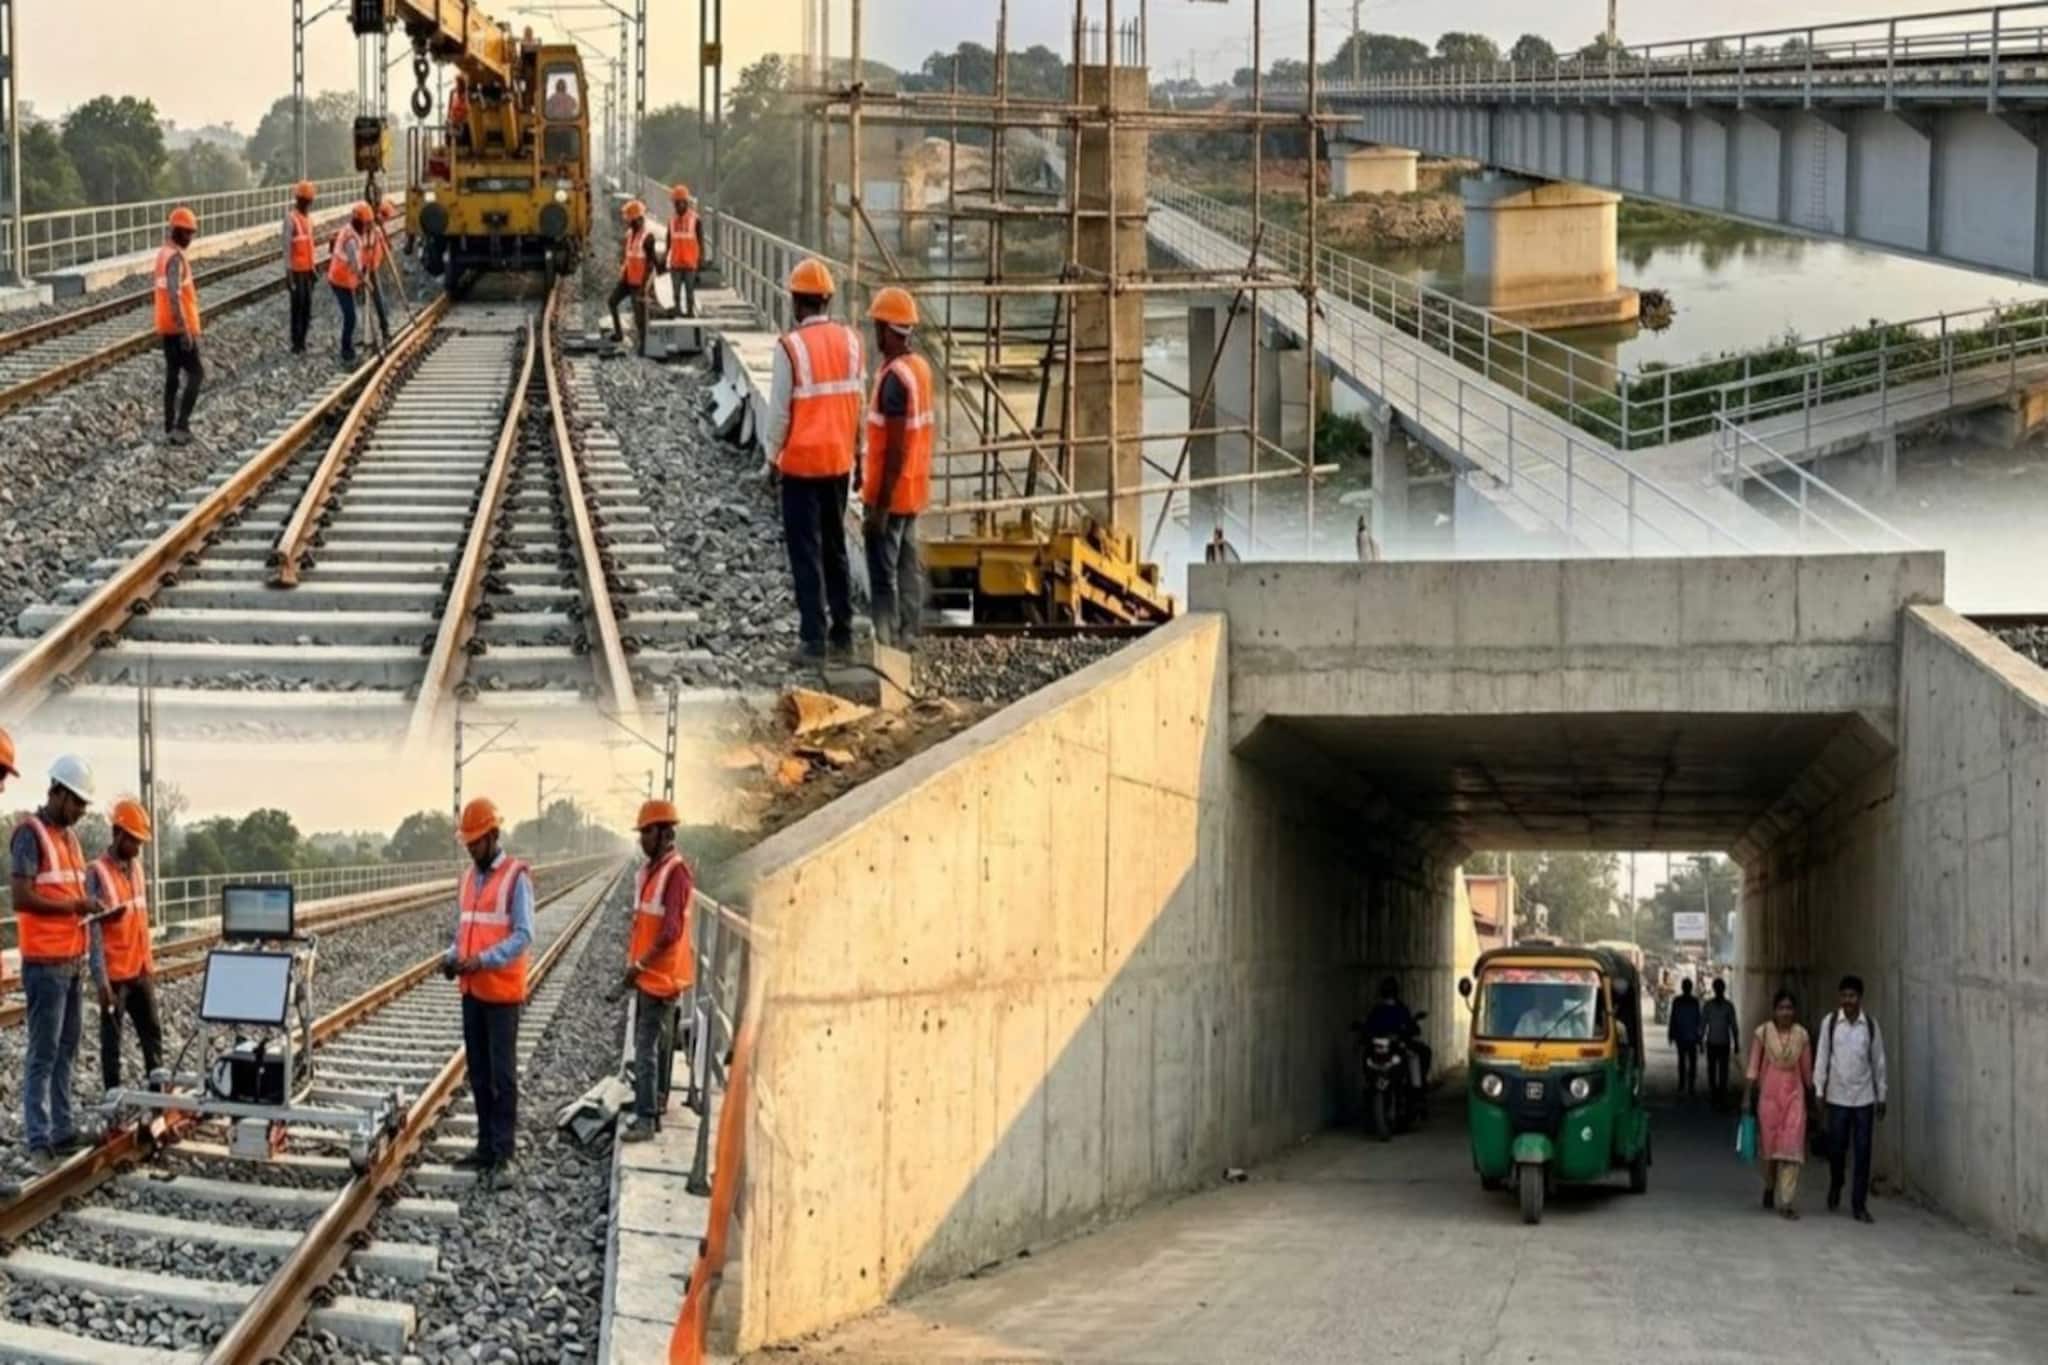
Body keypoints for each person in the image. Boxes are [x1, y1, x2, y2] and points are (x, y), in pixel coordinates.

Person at [766, 257, 863, 664]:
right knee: (835, 548)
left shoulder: (790, 348)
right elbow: (858, 402)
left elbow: (779, 414)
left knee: (806, 552)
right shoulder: (852, 342)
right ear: (827, 300)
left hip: (802, 467)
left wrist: (771, 459)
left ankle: (813, 640)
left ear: (796, 302)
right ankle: (844, 633)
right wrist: (859, 454)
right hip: (839, 463)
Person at [10, 755, 97, 1169]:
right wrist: (75, 907)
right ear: (58, 792)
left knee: (67, 1049)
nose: (80, 810)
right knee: (43, 1054)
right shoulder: (30, 834)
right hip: (45, 964)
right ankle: (38, 1138)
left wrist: (88, 907)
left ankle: (62, 1129)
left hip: (72, 959)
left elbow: (67, 892)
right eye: (76, 802)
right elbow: (22, 897)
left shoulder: (70, 839)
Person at [445, 798, 533, 1189]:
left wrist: (482, 960)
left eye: (476, 842)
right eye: (467, 842)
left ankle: (504, 1155)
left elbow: (524, 935)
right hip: (472, 991)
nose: (471, 848)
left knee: (503, 1077)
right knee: (479, 1074)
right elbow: (465, 930)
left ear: (494, 836)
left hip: (501, 994)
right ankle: (484, 1147)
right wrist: (452, 958)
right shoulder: (468, 878)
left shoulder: (516, 877)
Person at [860, 287, 932, 648]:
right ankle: (909, 634)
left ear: (889, 330)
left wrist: (880, 507)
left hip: (890, 494)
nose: (874, 334)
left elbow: (895, 449)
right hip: (913, 491)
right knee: (906, 566)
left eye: (877, 326)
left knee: (883, 573)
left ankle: (887, 642)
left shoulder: (894, 380)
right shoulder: (919, 369)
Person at [621, 799, 695, 1143]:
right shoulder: (654, 869)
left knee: (645, 1046)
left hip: (660, 975)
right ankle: (654, 1100)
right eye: (641, 833)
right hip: (649, 975)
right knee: (656, 1043)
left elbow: (670, 931)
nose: (642, 839)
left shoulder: (675, 873)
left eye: (647, 832)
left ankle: (646, 1119)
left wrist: (640, 964)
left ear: (665, 833)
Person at [88, 799, 162, 1096]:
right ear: (117, 834)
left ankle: (158, 1093)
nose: (138, 848)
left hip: (141, 970)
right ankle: (113, 1097)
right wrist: (101, 980)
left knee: (152, 1034)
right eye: (134, 840)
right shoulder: (97, 872)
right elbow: (93, 930)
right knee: (112, 1041)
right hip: (115, 976)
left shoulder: (138, 870)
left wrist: (149, 967)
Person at [1814, 973, 1887, 1223]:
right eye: (1844, 995)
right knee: (1836, 1149)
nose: (1848, 1000)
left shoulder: (1871, 1026)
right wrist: (1819, 1090)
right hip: (1837, 1098)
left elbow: (1878, 1062)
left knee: (1863, 1152)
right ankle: (1837, 1182)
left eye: (1852, 996)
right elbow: (1822, 1056)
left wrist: (1882, 1094)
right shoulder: (1831, 1023)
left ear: (1860, 998)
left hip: (1864, 1098)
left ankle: (1859, 1204)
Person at [1745, 988, 1814, 1219]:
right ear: (1774, 1011)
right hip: (1769, 1099)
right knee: (1771, 1149)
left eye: (1789, 1008)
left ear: (1795, 1011)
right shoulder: (1763, 1033)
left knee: (1791, 1149)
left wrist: (1815, 1098)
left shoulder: (1802, 1036)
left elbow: (1807, 1072)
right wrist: (1746, 1098)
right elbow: (1753, 1067)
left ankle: (1786, 1202)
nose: (1785, 1012)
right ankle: (1769, 1185)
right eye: (1781, 1008)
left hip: (1794, 1099)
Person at [154, 206, 204, 447]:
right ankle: (181, 426)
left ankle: (169, 425)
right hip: (178, 327)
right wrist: (184, 330)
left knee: (172, 375)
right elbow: (174, 295)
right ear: (176, 231)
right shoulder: (174, 257)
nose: (190, 238)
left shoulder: (163, 253)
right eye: (187, 232)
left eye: (191, 233)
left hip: (166, 325)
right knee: (196, 373)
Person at [609, 200, 661, 357]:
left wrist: (645, 285)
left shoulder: (647, 237)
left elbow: (651, 262)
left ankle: (644, 346)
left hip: (639, 283)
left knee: (640, 316)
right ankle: (619, 334)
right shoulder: (630, 234)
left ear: (637, 219)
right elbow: (629, 258)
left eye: (630, 220)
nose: (627, 223)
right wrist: (623, 275)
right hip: (628, 279)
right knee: (612, 302)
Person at [1362, 975, 1430, 1089]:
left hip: (1383, 1048)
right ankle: (1417, 1087)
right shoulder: (1400, 1009)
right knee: (1422, 1053)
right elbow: (1411, 1027)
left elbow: (1367, 1028)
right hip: (1394, 1047)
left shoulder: (1377, 1010)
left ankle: (1416, 1087)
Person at [329, 202, 371, 366]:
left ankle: (348, 347)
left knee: (351, 316)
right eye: (366, 224)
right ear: (359, 223)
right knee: (351, 317)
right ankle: (346, 351)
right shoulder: (351, 240)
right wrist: (365, 281)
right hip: (340, 281)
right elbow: (355, 267)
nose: (367, 227)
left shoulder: (351, 231)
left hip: (345, 281)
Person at [283, 181, 318, 354]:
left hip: (307, 271)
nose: (309, 204)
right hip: (296, 272)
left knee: (307, 307)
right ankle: (296, 342)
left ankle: (303, 339)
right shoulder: (291, 219)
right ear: (300, 200)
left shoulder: (309, 220)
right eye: (307, 201)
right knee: (297, 306)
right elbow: (287, 248)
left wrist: (313, 267)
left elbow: (310, 245)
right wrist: (288, 274)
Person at [360, 199, 398, 348]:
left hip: (372, 267)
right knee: (374, 299)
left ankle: (383, 329)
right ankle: (374, 332)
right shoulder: (368, 231)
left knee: (377, 298)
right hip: (364, 268)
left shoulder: (376, 231)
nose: (384, 220)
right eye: (384, 216)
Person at [666, 185, 703, 318]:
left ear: (686, 202)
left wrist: (700, 260)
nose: (678, 205)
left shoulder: (695, 219)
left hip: (690, 262)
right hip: (675, 262)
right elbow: (668, 240)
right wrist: (665, 257)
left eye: (680, 202)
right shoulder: (671, 220)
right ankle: (677, 309)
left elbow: (700, 241)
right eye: (676, 203)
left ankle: (690, 311)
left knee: (689, 291)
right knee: (675, 291)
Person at [1702, 977, 1739, 1108]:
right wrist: (1700, 1041)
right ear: (1714, 989)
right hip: (1712, 1042)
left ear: (1723, 989)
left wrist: (1736, 1043)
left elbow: (1733, 1026)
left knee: (1723, 1071)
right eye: (1717, 988)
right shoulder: (1709, 1005)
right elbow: (1703, 1024)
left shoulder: (1728, 1006)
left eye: (1720, 988)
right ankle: (1714, 1094)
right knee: (1712, 1070)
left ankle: (1721, 1095)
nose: (1718, 990)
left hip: (1723, 1043)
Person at [1667, 978, 1703, 1096]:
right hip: (1690, 1036)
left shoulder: (1678, 1001)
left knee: (1682, 1061)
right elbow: (1698, 1021)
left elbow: (1673, 1018)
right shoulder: (1694, 1002)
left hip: (1682, 1036)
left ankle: (1682, 1084)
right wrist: (1700, 1039)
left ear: (1683, 987)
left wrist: (1671, 1034)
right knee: (1691, 1062)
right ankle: (1690, 1085)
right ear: (1690, 988)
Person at [448, 75, 471, 148]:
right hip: (454, 120)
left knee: (460, 138)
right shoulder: (453, 93)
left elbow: (466, 109)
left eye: (457, 84)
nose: (456, 86)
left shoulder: (465, 95)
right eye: (455, 84)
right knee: (452, 137)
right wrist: (450, 116)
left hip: (461, 121)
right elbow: (450, 108)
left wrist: (459, 117)